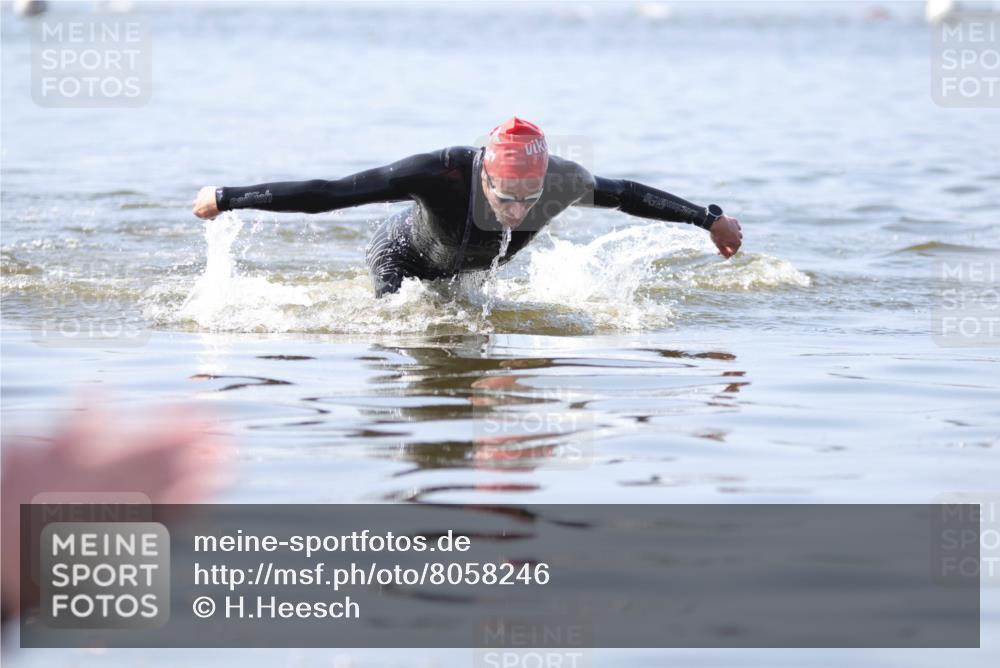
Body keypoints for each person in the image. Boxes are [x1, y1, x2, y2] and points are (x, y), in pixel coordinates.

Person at [192, 117, 743, 297]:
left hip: (466, 267)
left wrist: (707, 217)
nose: (518, 211)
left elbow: (626, 194)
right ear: (485, 175)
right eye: (506, 198)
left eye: (530, 200)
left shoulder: (563, 181)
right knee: (400, 331)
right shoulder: (439, 173)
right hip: (402, 257)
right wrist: (229, 198)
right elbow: (331, 193)